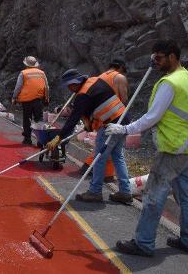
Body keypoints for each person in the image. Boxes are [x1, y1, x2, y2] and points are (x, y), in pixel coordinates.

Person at [105, 40, 188, 257]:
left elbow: (151, 117)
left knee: (153, 195)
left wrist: (123, 129)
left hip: (172, 149)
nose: (155, 62)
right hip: (187, 145)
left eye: (159, 58)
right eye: (154, 58)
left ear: (172, 56)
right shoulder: (185, 75)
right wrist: (155, 60)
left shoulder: (169, 83)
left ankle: (143, 243)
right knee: (184, 195)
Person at [46, 68, 132, 204]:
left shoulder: (83, 94)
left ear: (75, 83)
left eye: (70, 85)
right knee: (117, 156)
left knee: (99, 158)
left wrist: (59, 137)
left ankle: (95, 192)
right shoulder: (95, 81)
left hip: (110, 125)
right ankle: (125, 192)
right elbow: (95, 106)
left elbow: (73, 119)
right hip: (124, 120)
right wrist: (89, 125)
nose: (69, 88)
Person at [80, 59, 130, 182]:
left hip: (102, 118)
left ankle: (97, 173)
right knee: (112, 155)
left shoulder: (100, 77)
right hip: (116, 118)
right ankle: (99, 185)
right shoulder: (119, 78)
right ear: (119, 68)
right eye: (123, 70)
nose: (123, 73)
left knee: (104, 151)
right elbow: (124, 100)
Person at [11, 56, 49, 146]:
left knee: (27, 119)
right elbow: (46, 87)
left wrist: (14, 97)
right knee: (39, 119)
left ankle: (27, 139)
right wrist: (46, 98)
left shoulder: (23, 73)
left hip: (26, 100)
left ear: (26, 64)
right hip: (38, 100)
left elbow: (18, 87)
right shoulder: (42, 73)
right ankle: (41, 140)